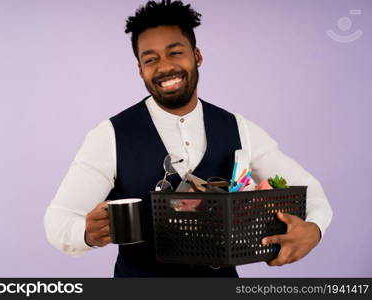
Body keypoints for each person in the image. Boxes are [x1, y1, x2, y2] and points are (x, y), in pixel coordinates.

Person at [44, 0, 332, 277]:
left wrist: (314, 229)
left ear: (197, 56)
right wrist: (87, 235)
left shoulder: (239, 128)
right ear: (140, 70)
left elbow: (311, 191)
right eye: (150, 59)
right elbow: (58, 219)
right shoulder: (109, 136)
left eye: (175, 52)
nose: (164, 66)